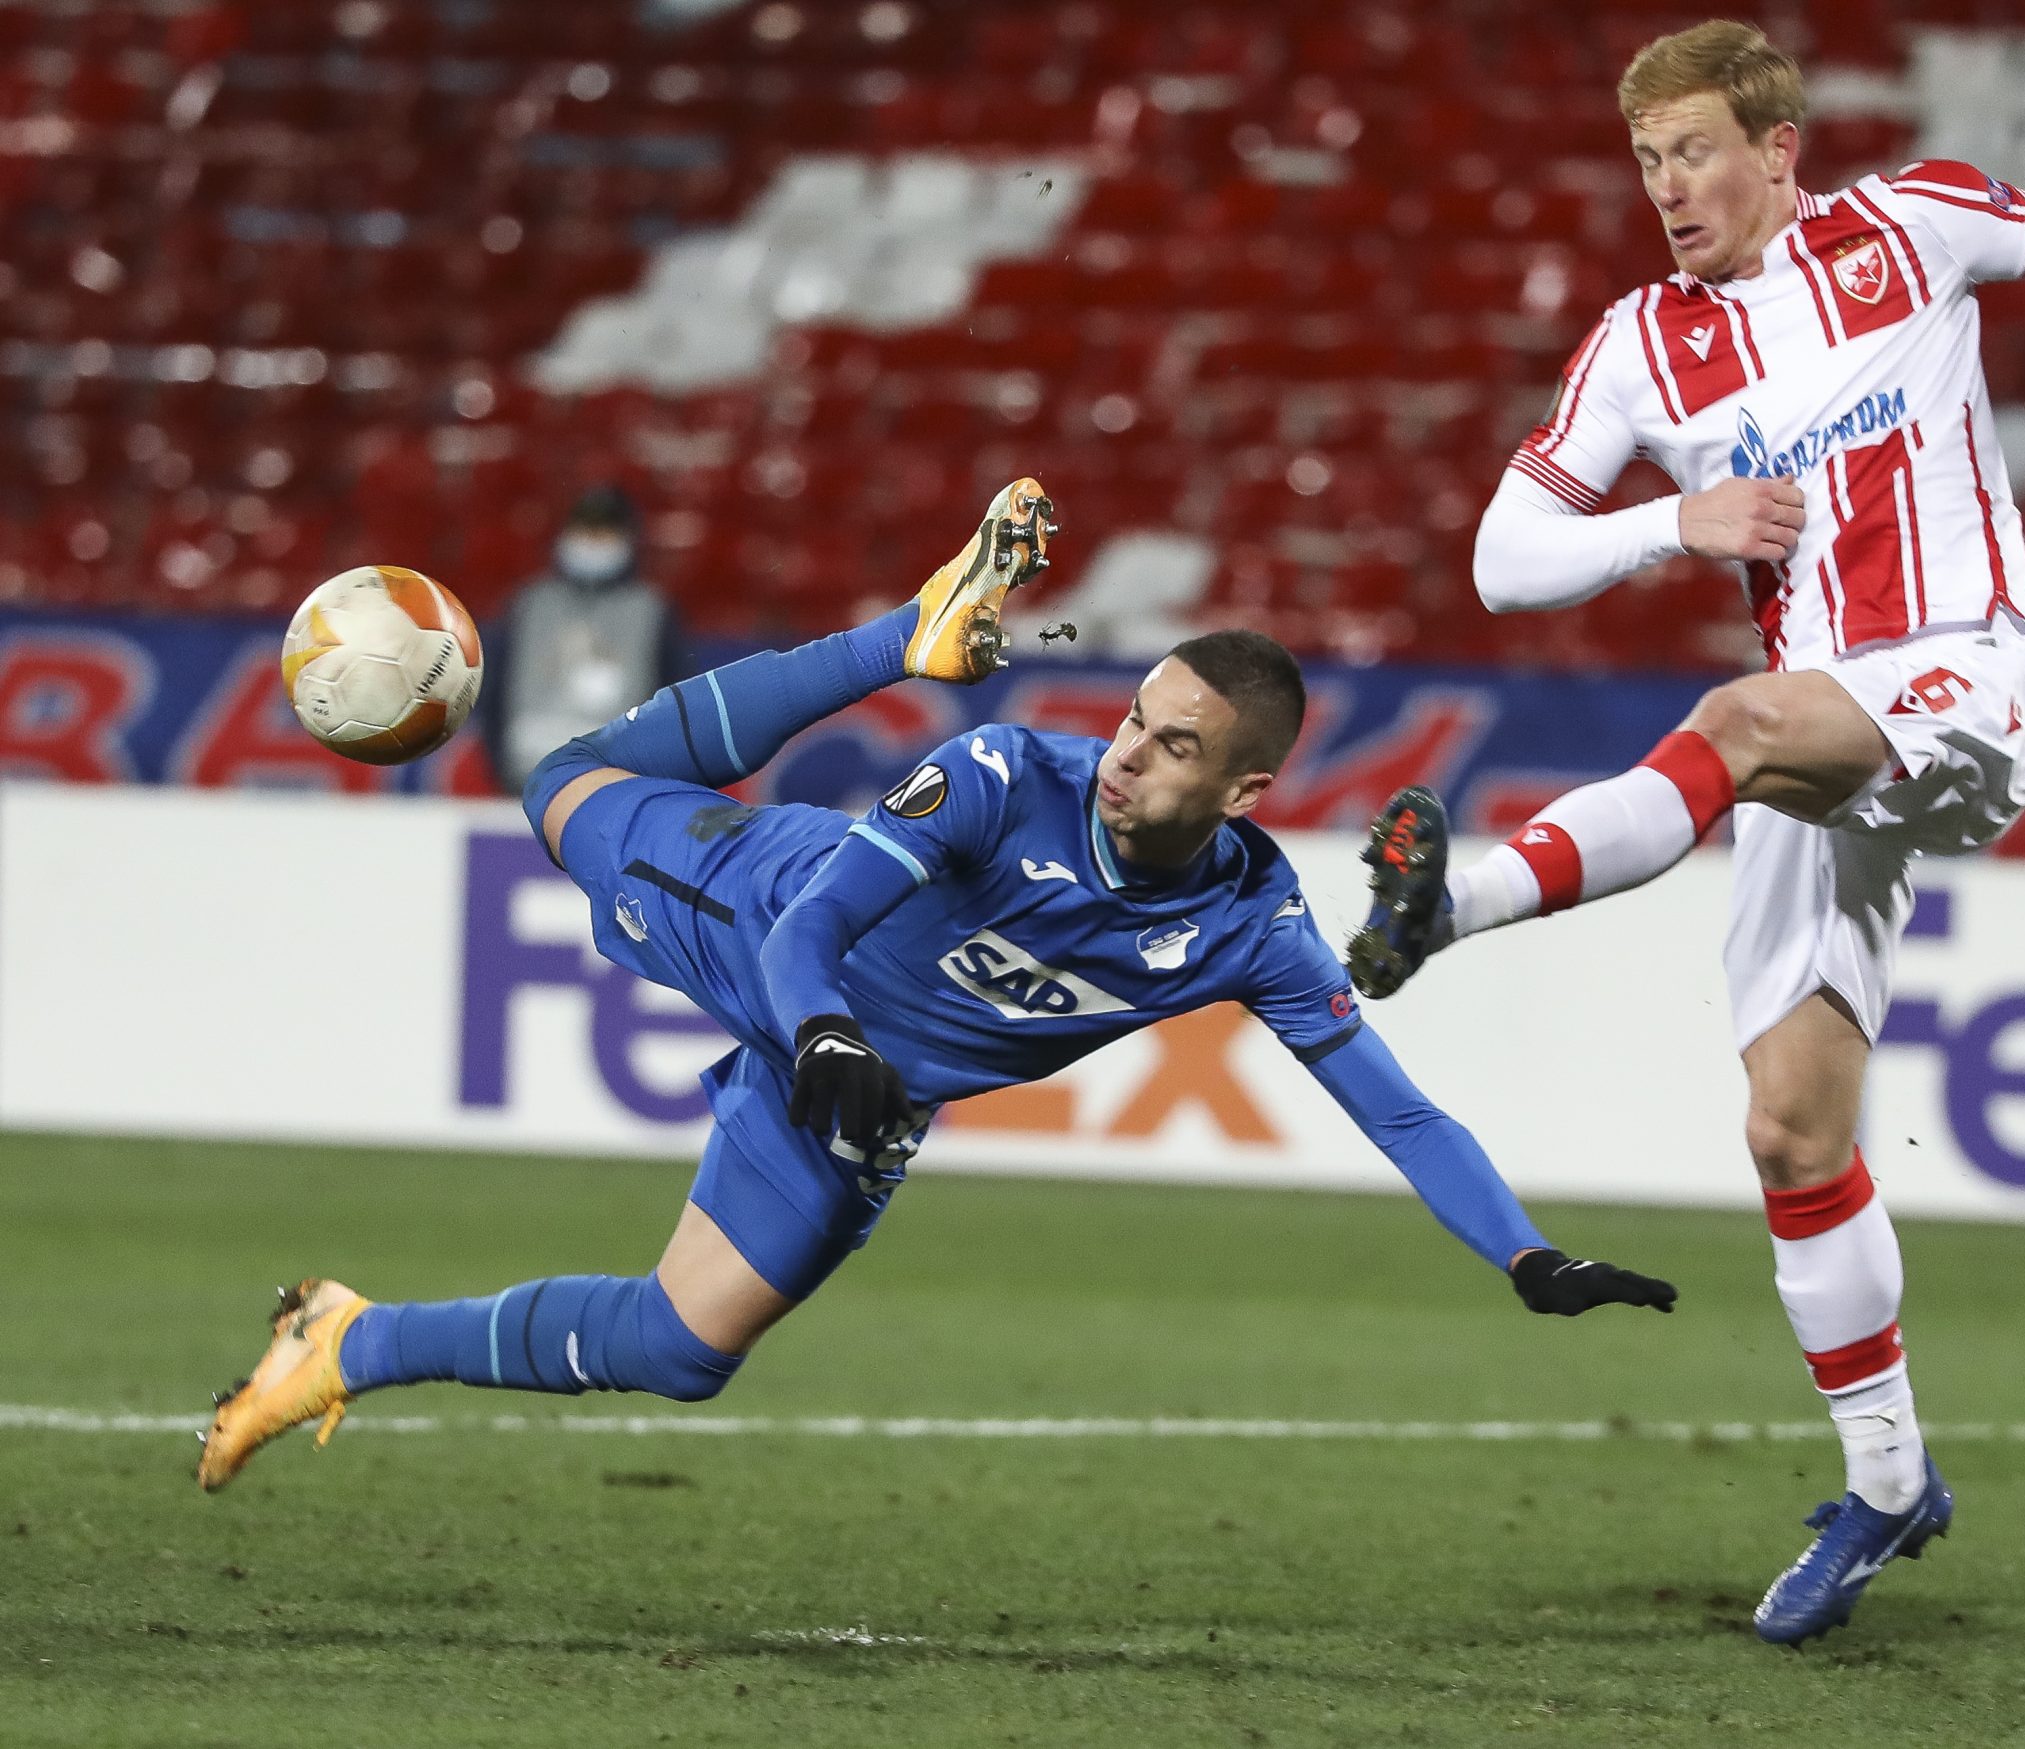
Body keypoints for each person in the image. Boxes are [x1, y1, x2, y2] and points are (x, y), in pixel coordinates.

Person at [1346, 21, 2025, 1646]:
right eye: (1648, 159)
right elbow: (1504, 555)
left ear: (1780, 147)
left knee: (1734, 729)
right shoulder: (1643, 346)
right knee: (1790, 1130)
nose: (1668, 187)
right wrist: (1677, 517)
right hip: (1826, 733)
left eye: (1697, 151)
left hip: (1968, 680)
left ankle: (1441, 908)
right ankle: (1888, 1478)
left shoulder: (1907, 223)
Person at [196, 479, 1677, 1493]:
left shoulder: (1251, 927)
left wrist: (1525, 1257)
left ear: (1247, 789)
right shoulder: (996, 773)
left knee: (681, 1347)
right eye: (1135, 719)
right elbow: (812, 935)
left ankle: (349, 1337)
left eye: (1173, 749)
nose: (1128, 753)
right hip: (759, 911)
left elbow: (1400, 1116)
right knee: (564, 780)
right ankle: (894, 640)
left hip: (862, 1088)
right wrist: (828, 1029)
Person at [482, 483, 691, 793]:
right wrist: (501, 768)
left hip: (615, 785)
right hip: (525, 779)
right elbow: (496, 692)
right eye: (585, 530)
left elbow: (674, 700)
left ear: (628, 539)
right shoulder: (530, 603)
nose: (593, 542)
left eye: (604, 532)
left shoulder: (652, 611)